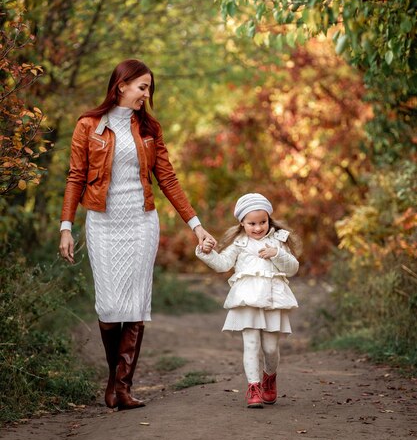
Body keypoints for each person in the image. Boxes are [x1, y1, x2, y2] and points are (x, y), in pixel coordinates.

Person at [59, 59, 216, 411]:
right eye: (142, 87)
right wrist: (65, 227)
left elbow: (168, 179)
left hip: (142, 222)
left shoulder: (148, 128)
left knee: (135, 305)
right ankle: (114, 378)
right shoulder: (89, 125)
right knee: (110, 306)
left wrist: (196, 225)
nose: (147, 94)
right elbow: (75, 177)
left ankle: (121, 387)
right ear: (121, 85)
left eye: (149, 89)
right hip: (102, 222)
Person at [195, 193, 300, 408]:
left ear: (269, 219)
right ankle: (253, 387)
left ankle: (269, 377)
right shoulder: (239, 244)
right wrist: (206, 252)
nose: (258, 228)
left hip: (273, 300)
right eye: (252, 223)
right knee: (251, 345)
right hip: (246, 300)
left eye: (263, 222)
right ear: (242, 222)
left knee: (270, 348)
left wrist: (277, 253)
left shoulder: (278, 240)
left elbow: (292, 268)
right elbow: (223, 264)